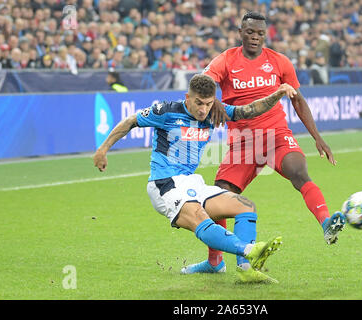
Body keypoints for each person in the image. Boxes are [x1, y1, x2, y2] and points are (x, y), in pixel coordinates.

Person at [93, 74, 298, 283]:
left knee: (245, 206)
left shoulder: (213, 113)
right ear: (187, 97)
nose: (203, 109)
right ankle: (249, 250)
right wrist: (103, 149)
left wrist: (278, 93)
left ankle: (245, 270)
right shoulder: (166, 111)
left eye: (208, 103)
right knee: (199, 214)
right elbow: (130, 121)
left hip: (191, 182)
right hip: (164, 184)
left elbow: (249, 110)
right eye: (198, 103)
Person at [185, 12, 346, 274]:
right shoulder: (226, 59)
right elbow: (206, 82)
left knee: (298, 172)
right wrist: (211, 99)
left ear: (265, 34)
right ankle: (215, 263)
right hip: (243, 142)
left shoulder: (279, 62)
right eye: (250, 32)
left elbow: (297, 99)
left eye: (260, 33)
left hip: (276, 136)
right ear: (241, 32)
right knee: (218, 196)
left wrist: (317, 137)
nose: (255, 38)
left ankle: (326, 223)